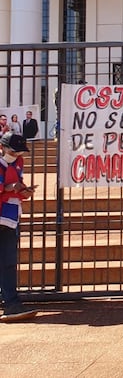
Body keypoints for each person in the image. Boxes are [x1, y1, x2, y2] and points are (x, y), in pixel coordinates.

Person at [0, 132, 37, 321]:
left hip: (10, 216)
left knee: (8, 261)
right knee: (6, 260)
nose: (17, 155)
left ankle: (10, 301)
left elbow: (16, 185)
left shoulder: (18, 162)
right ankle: (11, 302)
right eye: (14, 152)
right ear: (3, 147)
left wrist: (24, 191)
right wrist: (8, 187)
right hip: (3, 214)